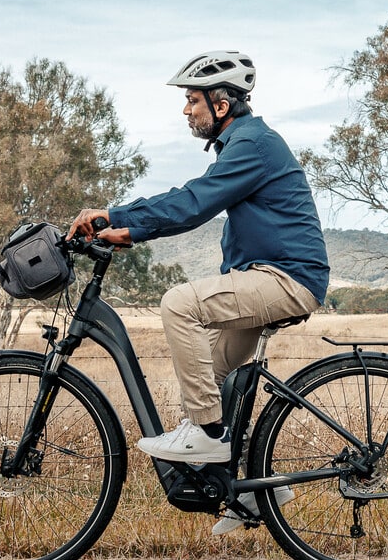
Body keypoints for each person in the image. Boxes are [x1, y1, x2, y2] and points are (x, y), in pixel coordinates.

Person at [68, 50, 330, 534]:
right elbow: (194, 203)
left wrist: (118, 217)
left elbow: (193, 203)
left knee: (178, 303)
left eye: (192, 100)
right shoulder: (244, 144)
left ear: (222, 104)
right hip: (269, 274)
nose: (186, 110)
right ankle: (250, 494)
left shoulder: (252, 144)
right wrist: (128, 232)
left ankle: (209, 436)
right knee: (211, 371)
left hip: (287, 279)